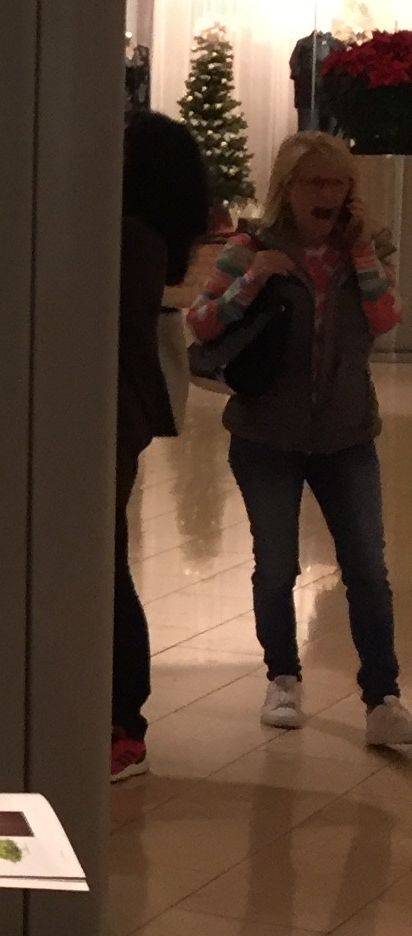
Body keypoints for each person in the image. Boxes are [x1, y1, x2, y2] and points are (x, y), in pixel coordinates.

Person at [186, 130, 412, 748]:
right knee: (276, 565)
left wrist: (361, 251)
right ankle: (282, 678)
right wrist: (252, 279)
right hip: (267, 435)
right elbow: (202, 322)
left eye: (338, 182)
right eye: (315, 182)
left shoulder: (367, 249)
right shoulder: (249, 248)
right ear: (288, 189)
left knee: (367, 568)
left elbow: (385, 319)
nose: (327, 194)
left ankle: (383, 697)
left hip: (347, 433)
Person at [110, 114, 217, 782]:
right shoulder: (148, 237)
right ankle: (121, 718)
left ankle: (124, 721)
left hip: (108, 415)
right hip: (120, 415)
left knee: (104, 565)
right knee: (107, 557)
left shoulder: (127, 237)